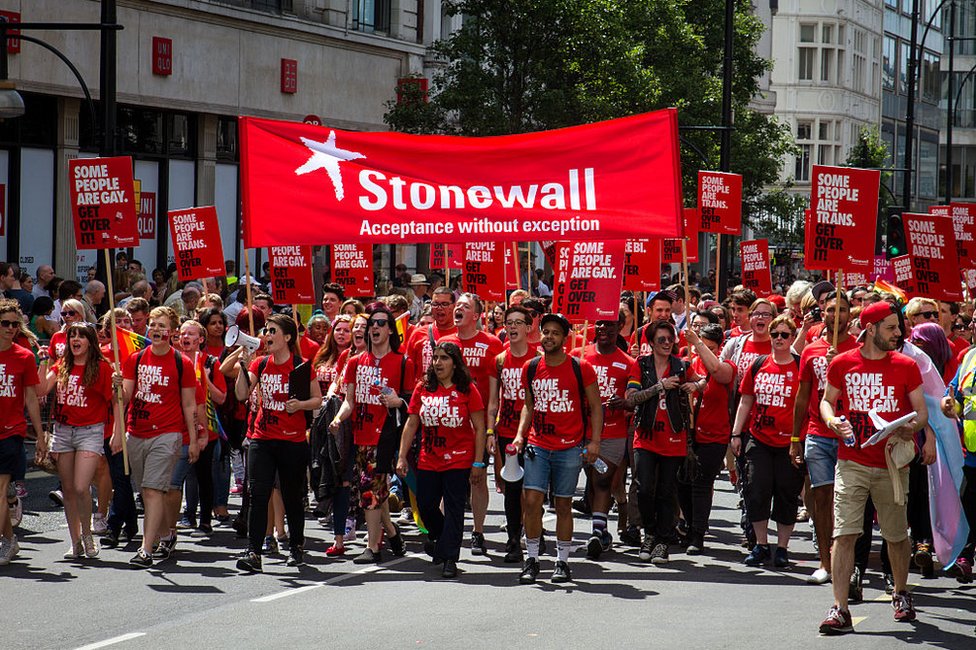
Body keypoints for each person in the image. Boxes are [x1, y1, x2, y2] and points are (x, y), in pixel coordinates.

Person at [818, 301, 932, 635]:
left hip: (892, 463)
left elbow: (921, 412)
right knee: (844, 533)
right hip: (850, 460)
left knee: (896, 535)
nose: (899, 334)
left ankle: (900, 592)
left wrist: (910, 427)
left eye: (899, 327)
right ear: (870, 329)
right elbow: (827, 399)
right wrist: (831, 420)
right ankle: (840, 608)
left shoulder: (907, 366)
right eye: (891, 328)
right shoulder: (842, 363)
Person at [513, 313, 603, 584]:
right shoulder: (530, 367)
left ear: (565, 338)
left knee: (563, 505)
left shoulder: (581, 367)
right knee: (531, 503)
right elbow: (528, 405)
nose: (549, 336)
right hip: (538, 445)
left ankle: (562, 562)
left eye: (555, 333)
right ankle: (532, 559)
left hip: (569, 448)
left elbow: (596, 407)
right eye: (545, 331)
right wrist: (520, 436)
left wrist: (595, 441)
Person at [233, 314, 322, 572]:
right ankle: (253, 552)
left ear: (287, 337)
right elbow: (241, 395)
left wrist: (300, 405)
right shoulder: (260, 364)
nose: (267, 335)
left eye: (273, 331)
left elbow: (317, 399)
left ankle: (296, 547)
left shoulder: (301, 366)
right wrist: (242, 366)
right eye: (266, 330)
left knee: (293, 497)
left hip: (292, 442)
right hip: (262, 438)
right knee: (258, 495)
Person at [329, 303, 414, 564]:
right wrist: (337, 417)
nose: (374, 327)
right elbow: (349, 401)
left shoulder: (403, 362)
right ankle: (392, 532)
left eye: (380, 323)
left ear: (390, 330)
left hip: (385, 436)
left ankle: (372, 547)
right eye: (371, 324)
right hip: (359, 436)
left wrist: (398, 401)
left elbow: (412, 402)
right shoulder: (355, 362)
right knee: (373, 492)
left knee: (369, 491)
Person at [396, 341, 487, 578]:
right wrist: (402, 456)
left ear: (455, 363)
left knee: (455, 509)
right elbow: (412, 422)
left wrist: (478, 463)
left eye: (444, 358)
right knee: (426, 505)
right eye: (435, 358)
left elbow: (479, 427)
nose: (438, 362)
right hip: (429, 458)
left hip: (459, 460)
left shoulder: (468, 389)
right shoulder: (423, 387)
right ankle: (439, 538)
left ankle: (449, 558)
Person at [120, 306, 199, 569]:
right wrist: (116, 388)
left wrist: (195, 439)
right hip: (136, 431)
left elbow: (189, 404)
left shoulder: (182, 363)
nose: (156, 329)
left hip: (168, 433)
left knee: (153, 490)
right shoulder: (136, 359)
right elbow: (125, 398)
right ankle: (166, 534)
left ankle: (145, 549)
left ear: (172, 332)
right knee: (145, 490)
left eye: (162, 325)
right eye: (153, 324)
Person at [791, 291, 858, 585]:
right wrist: (796, 438)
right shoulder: (810, 350)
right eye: (831, 309)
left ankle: (848, 560)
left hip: (849, 433)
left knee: (850, 500)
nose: (836, 315)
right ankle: (825, 562)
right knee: (821, 498)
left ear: (850, 315)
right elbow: (803, 394)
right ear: (823, 312)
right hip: (818, 433)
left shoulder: (860, 349)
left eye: (842, 310)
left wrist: (841, 362)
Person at [36, 323, 115, 559]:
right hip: (63, 431)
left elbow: (117, 400)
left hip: (90, 431)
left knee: (81, 487)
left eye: (81, 335)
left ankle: (88, 536)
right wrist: (43, 362)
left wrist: (118, 384)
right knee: (68, 490)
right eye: (72, 336)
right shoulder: (62, 365)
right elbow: (41, 389)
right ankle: (75, 541)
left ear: (91, 341)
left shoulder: (101, 368)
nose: (75, 339)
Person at [731, 314, 803, 568]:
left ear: (793, 338)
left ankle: (782, 547)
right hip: (758, 439)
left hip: (790, 443)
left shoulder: (799, 365)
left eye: (785, 335)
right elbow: (746, 400)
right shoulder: (759, 364)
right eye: (775, 335)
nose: (780, 339)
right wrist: (736, 433)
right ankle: (761, 544)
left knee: (786, 494)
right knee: (756, 491)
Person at [627, 320, 699, 565]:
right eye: (662, 340)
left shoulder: (680, 365)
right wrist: (660, 386)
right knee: (645, 487)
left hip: (673, 436)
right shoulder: (641, 365)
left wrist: (694, 384)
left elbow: (703, 381)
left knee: (667, 491)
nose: (668, 343)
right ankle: (649, 532)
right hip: (646, 435)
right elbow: (631, 398)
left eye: (671, 339)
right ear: (651, 343)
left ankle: (662, 541)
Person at [573, 311, 639, 560]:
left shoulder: (628, 363)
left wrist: (623, 403)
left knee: (602, 481)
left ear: (620, 326)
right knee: (590, 483)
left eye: (610, 324)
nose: (603, 328)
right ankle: (601, 529)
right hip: (578, 432)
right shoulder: (578, 355)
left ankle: (598, 533)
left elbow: (633, 399)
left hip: (612, 434)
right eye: (599, 322)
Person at [442, 293, 504, 555]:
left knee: (477, 480)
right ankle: (447, 530)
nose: (458, 309)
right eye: (457, 306)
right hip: (447, 423)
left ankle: (478, 531)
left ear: (477, 316)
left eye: (465, 307)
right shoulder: (444, 342)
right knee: (446, 481)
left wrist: (492, 426)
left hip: (477, 425)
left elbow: (499, 386)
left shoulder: (491, 344)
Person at [487, 305, 540, 563]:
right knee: (512, 488)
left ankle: (534, 534)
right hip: (507, 432)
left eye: (519, 322)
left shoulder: (538, 357)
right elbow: (492, 403)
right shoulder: (499, 360)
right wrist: (490, 432)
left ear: (528, 328)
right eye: (510, 322)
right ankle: (513, 539)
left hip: (536, 434)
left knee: (533, 490)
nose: (513, 327)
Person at [678, 322, 735, 554]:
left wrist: (698, 344)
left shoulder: (727, 366)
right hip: (686, 435)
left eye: (711, 347)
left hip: (714, 435)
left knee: (701, 483)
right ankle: (689, 525)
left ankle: (697, 534)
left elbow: (717, 372)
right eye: (703, 344)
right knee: (682, 483)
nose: (704, 351)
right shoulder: (687, 364)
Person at [0, 300, 46, 565]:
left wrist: (39, 435)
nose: (10, 328)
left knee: (1, 488)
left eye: (15, 324)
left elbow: (31, 398)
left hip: (11, 431)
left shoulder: (25, 356)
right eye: (5, 323)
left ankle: (5, 541)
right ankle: (9, 540)